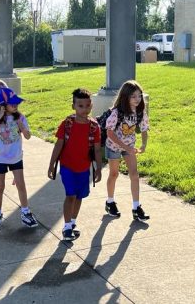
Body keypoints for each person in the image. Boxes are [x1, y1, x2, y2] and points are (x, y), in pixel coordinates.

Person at [47, 88, 102, 241]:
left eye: (87, 105)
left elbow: (97, 149)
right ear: (73, 106)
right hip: (67, 167)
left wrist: (97, 169)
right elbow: (58, 145)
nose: (84, 109)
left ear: (91, 106)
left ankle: (72, 223)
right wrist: (52, 164)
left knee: (79, 196)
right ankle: (66, 227)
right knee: (70, 195)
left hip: (84, 168)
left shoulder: (94, 127)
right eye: (80, 106)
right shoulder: (67, 124)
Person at [0, 88, 39, 231]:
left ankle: (25, 212)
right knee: (0, 186)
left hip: (15, 157)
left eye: (16, 103)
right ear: (2, 105)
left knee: (21, 184)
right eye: (12, 103)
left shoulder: (20, 117)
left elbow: (28, 136)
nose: (15, 106)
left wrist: (22, 127)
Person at [104, 80, 150, 221]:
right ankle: (110, 202)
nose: (137, 99)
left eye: (139, 95)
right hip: (113, 146)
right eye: (133, 96)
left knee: (134, 174)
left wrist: (143, 144)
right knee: (114, 174)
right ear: (125, 97)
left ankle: (136, 207)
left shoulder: (140, 112)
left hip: (129, 146)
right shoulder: (117, 113)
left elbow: (144, 129)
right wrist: (126, 147)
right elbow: (110, 133)